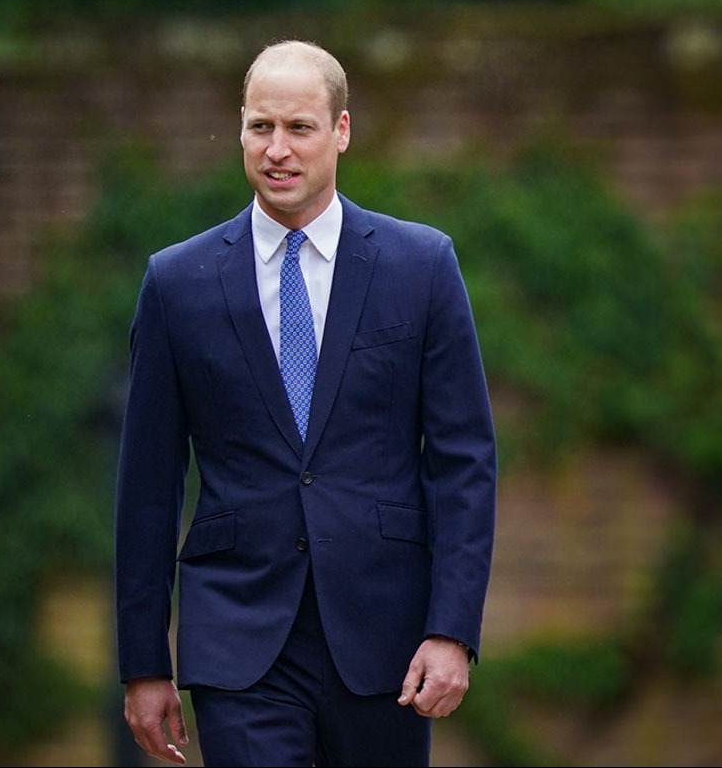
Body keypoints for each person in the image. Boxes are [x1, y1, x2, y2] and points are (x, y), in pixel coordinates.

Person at [113, 39, 498, 767]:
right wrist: (142, 659)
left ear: (341, 131)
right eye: (260, 127)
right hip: (238, 635)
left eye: (299, 128)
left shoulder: (421, 267)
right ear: (240, 130)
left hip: (384, 637)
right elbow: (147, 485)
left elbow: (464, 462)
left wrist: (452, 628)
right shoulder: (178, 282)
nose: (277, 150)